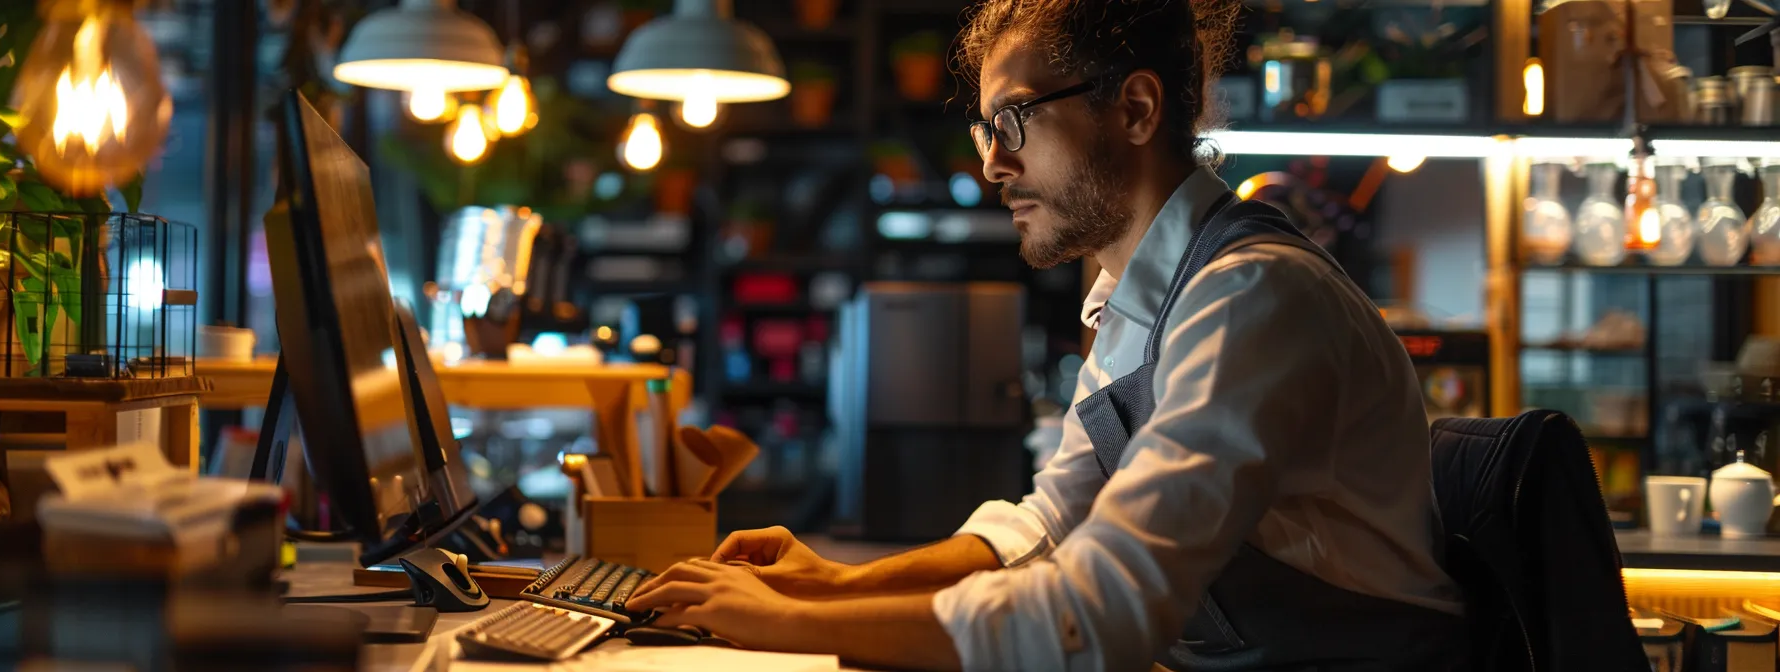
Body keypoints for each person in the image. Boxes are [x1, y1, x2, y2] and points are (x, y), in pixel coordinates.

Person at [627, 1, 1469, 669]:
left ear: (1135, 109)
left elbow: (1099, 615)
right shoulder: (1134, 302)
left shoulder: (1250, 297)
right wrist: (832, 589)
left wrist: (787, 626)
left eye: (1014, 121)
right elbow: (1050, 527)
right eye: (985, 130)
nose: (992, 163)